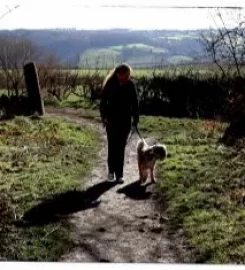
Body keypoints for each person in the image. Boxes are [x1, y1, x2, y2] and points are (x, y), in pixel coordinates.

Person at [99, 63, 139, 183]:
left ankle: (119, 174)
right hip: (111, 120)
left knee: (121, 147)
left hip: (125, 121)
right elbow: (103, 102)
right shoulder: (110, 84)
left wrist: (135, 120)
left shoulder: (131, 85)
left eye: (129, 75)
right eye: (126, 75)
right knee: (112, 146)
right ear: (118, 74)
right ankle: (111, 171)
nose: (128, 77)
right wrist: (104, 117)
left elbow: (135, 103)